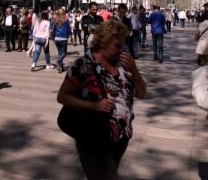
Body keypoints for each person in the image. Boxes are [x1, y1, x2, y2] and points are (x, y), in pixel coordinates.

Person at [57, 19, 146, 180]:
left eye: (123, 45)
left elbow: (142, 93)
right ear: (103, 42)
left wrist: (134, 70)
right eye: (117, 46)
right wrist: (94, 106)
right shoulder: (83, 65)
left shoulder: (123, 64)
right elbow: (62, 97)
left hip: (120, 138)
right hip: (94, 137)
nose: (122, 50)